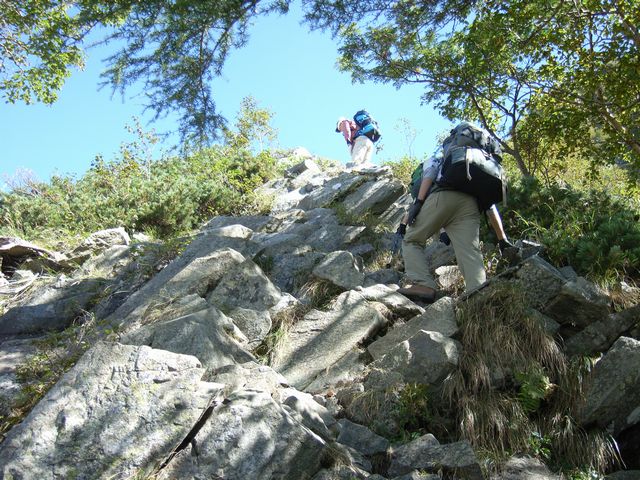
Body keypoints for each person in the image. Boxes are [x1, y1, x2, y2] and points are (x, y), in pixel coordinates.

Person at [396, 153, 513, 302]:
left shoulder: (439, 156)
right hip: (470, 205)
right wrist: (502, 239)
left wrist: (418, 202)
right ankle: (479, 297)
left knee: (412, 240)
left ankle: (424, 285)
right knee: (470, 252)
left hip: (443, 195)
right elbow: (490, 206)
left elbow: (430, 174)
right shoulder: (476, 167)